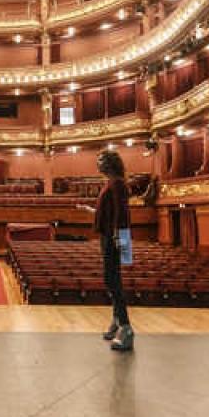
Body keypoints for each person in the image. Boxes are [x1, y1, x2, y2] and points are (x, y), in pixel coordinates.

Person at [77, 150, 134, 351]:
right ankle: (117, 322)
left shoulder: (117, 183)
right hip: (109, 235)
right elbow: (108, 212)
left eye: (101, 160)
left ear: (110, 163)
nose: (98, 163)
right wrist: (90, 211)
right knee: (112, 279)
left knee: (112, 280)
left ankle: (126, 328)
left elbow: (121, 211)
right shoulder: (110, 183)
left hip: (113, 237)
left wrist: (119, 235)